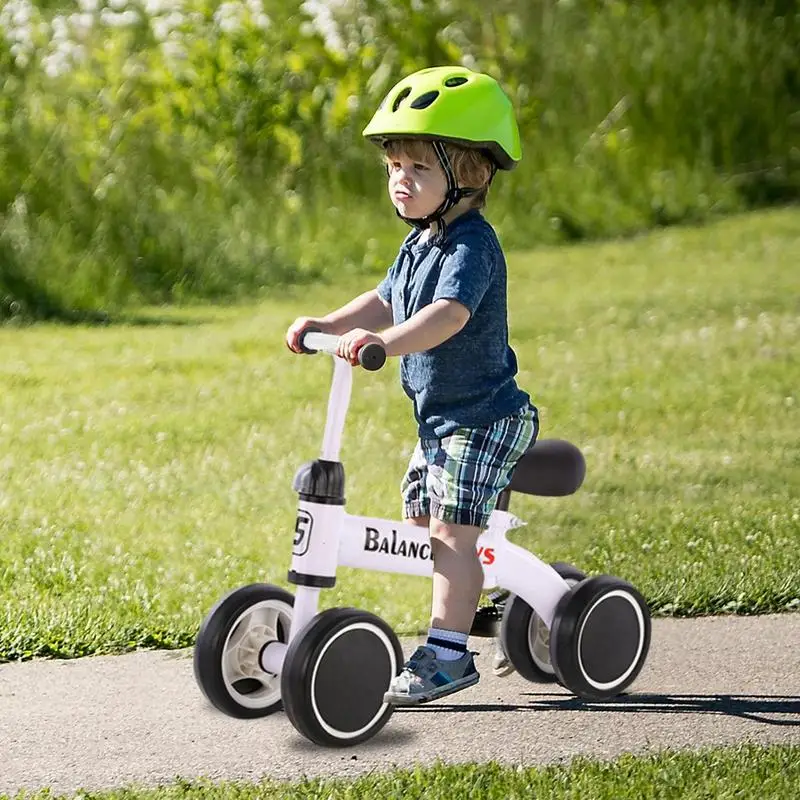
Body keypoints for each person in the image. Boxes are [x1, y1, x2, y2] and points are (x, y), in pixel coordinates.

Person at [286, 66, 537, 703]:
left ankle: (449, 654)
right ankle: (484, 598)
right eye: (395, 166)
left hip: (483, 416)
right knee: (424, 519)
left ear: (471, 175)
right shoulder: (421, 240)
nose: (402, 181)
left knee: (451, 530)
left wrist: (384, 344)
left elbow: (445, 317)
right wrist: (329, 324)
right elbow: (384, 298)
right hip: (440, 420)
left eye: (420, 169)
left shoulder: (471, 247)